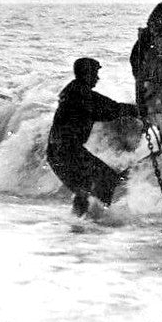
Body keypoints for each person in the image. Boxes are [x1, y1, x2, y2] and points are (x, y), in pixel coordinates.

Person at [47, 57, 140, 216]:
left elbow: (105, 111)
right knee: (107, 180)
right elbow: (113, 109)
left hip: (56, 152)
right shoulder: (82, 94)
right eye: (95, 73)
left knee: (85, 188)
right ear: (86, 74)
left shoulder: (73, 91)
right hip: (67, 151)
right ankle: (96, 221)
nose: (97, 78)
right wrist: (140, 111)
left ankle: (80, 220)